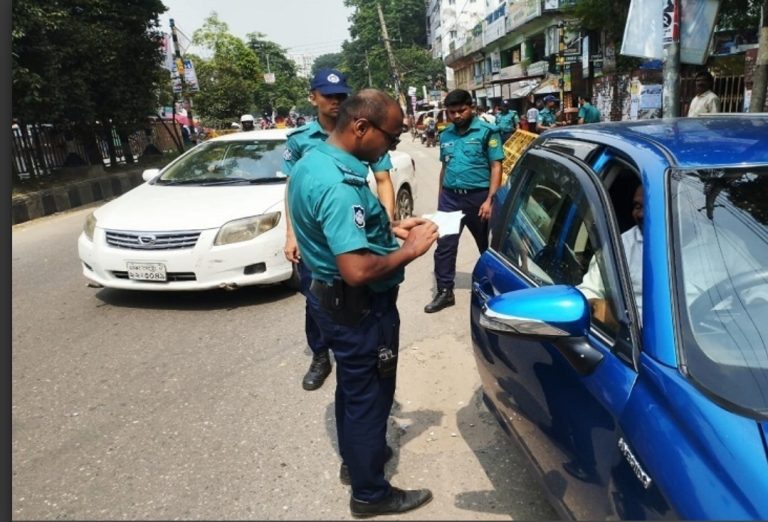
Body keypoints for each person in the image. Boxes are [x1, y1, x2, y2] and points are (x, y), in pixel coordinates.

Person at [288, 88, 438, 517]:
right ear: (360, 127)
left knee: (354, 390)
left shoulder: (315, 161)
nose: (393, 145)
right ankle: (370, 494)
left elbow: (340, 232)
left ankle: (357, 461)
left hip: (334, 300)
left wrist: (390, 229)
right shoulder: (339, 185)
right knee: (370, 396)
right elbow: (355, 269)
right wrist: (411, 250)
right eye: (391, 136)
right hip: (358, 306)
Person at [283, 69, 396, 392]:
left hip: (351, 227)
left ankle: (356, 358)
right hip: (317, 235)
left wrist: (386, 224)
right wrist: (291, 234)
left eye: (341, 96)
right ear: (313, 98)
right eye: (328, 95)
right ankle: (321, 354)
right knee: (317, 295)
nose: (335, 101)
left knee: (355, 297)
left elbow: (383, 179)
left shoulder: (365, 131)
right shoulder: (301, 139)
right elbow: (293, 187)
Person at [424, 89, 505, 313]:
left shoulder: (488, 132)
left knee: (487, 247)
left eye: (461, 110)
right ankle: (444, 291)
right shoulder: (446, 135)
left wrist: (490, 200)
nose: (457, 116)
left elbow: (496, 166)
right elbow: (445, 168)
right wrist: (441, 198)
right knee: (445, 247)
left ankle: (495, 291)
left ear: (472, 108)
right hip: (450, 198)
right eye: (452, 112)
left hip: (479, 198)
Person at [578, 185, 644, 315]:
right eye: (637, 206)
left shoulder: (688, 245)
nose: (641, 214)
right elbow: (589, 291)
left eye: (650, 207)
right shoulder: (621, 247)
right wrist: (604, 311)